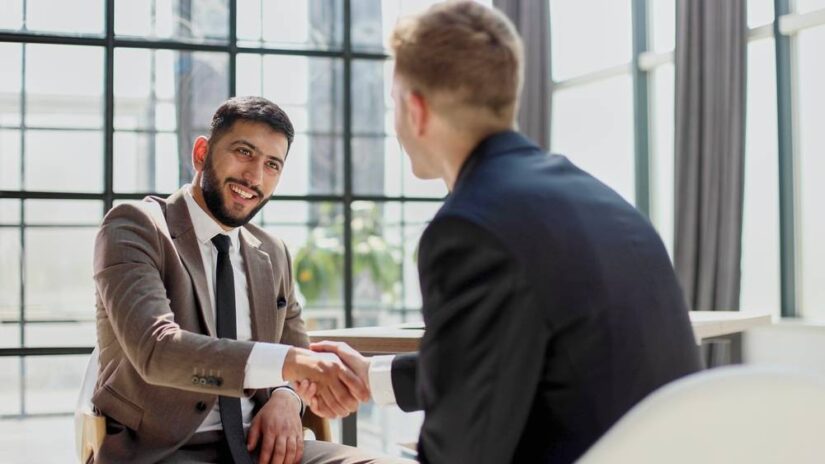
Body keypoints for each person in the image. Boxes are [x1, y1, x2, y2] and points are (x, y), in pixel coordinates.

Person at [305, 2, 703, 463]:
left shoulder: (470, 226)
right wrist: (373, 378)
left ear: (415, 111)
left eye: (393, 102)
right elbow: (522, 359)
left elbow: (460, 454)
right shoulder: (602, 202)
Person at [92, 96, 411, 464]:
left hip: (263, 449)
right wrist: (289, 364)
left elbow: (297, 350)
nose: (255, 177)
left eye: (272, 164)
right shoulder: (135, 227)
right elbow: (157, 351)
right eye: (244, 152)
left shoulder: (273, 252)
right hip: (162, 450)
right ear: (201, 153)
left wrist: (285, 398)